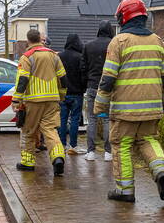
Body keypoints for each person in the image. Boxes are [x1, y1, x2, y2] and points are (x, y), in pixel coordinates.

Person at [93, 0, 164, 202]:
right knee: (148, 140)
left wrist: (99, 105)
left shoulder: (119, 41)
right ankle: (162, 171)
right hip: (152, 108)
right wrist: (163, 103)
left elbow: (108, 78)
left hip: (125, 110)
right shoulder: (157, 41)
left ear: (123, 17)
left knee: (122, 145)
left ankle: (125, 190)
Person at [14, 29, 68, 175]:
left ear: (28, 41)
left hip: (33, 101)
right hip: (52, 100)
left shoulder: (26, 57)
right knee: (51, 131)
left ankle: (28, 162)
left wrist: (16, 99)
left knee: (28, 132)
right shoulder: (53, 55)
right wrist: (61, 95)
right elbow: (63, 78)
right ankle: (58, 157)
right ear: (40, 39)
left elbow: (22, 80)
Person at [81, 20, 113, 161]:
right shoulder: (114, 45)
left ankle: (91, 152)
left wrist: (88, 81)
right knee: (107, 119)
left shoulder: (88, 46)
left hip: (92, 86)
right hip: (109, 87)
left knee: (92, 119)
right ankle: (108, 152)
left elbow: (83, 67)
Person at [57, 33, 85, 155]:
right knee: (74, 119)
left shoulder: (60, 57)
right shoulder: (80, 57)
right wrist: (83, 88)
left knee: (62, 119)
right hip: (77, 93)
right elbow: (83, 75)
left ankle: (62, 144)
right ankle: (73, 146)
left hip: (62, 93)